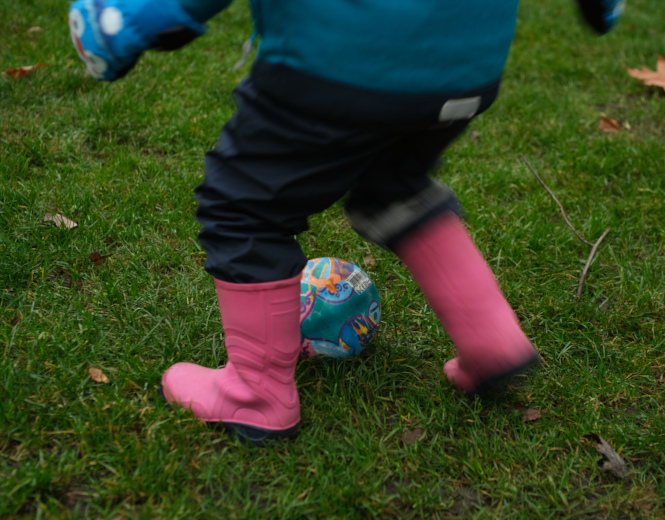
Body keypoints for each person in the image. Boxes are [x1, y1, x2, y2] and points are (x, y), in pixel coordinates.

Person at [68, 0, 624, 445]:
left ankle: (257, 396)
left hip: (341, 59)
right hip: (467, 68)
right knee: (394, 189)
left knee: (244, 207)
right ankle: (493, 342)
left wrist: (123, 20)